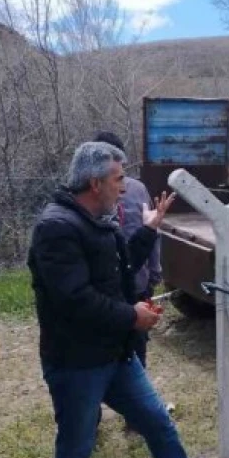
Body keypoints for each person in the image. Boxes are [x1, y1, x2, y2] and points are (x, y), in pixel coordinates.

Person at [28, 141, 228, 458]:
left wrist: (150, 228)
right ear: (95, 181)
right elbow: (74, 300)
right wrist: (131, 316)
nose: (125, 186)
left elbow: (117, 274)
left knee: (159, 424)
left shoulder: (100, 219)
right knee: (75, 449)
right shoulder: (56, 227)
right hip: (76, 362)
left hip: (117, 357)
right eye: (119, 179)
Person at [93, 130, 162, 367]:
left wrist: (154, 270)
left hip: (135, 283)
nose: (121, 188)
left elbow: (152, 228)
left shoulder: (138, 190)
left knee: (136, 349)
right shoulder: (88, 198)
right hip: (109, 289)